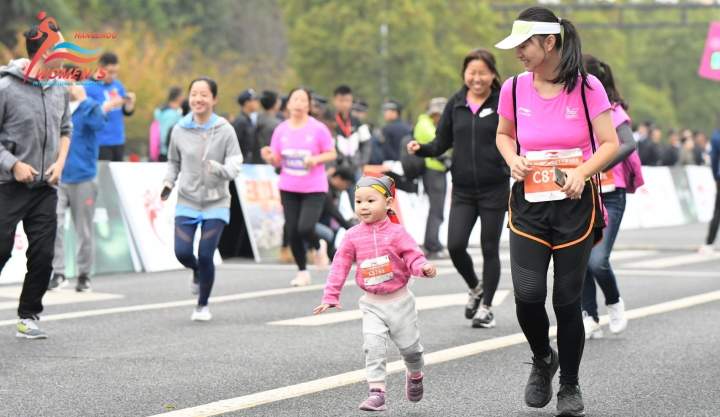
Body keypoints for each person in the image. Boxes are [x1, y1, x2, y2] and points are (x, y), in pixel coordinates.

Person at [494, 7, 619, 416]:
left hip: (573, 208)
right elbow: (503, 135)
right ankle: (542, 358)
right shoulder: (513, 88)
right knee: (528, 296)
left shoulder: (587, 88)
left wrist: (582, 172)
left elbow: (609, 143)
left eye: (524, 45)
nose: (518, 54)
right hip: (529, 205)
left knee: (566, 301)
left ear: (549, 43)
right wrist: (512, 157)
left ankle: (569, 384)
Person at [313, 175, 437, 412]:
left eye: (371, 200)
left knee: (411, 350)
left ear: (388, 203)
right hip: (371, 303)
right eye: (359, 201)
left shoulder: (397, 233)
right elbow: (339, 265)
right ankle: (376, 392)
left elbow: (412, 256)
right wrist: (330, 296)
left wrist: (423, 268)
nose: (364, 206)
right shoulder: (351, 236)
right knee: (373, 346)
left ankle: (415, 374)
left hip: (400, 301)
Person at [408, 49, 510, 329]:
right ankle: (475, 288)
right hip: (463, 189)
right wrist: (422, 150)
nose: (476, 78)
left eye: (482, 73)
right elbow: (442, 143)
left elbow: (516, 137)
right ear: (465, 74)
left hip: (495, 188)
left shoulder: (503, 101)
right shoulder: (456, 103)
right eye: (471, 73)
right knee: (455, 245)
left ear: (492, 74)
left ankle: (487, 307)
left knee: (490, 248)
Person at [0, 24, 72, 339]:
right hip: (8, 185)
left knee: (43, 254)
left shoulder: (60, 87)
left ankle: (28, 315)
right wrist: (13, 165)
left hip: (45, 187)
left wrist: (60, 163)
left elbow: (66, 129)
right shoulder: (6, 88)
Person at [161, 77, 243, 321]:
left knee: (206, 254)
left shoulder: (225, 129)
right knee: (183, 253)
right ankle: (196, 270)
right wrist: (168, 183)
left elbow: (236, 162)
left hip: (216, 201)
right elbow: (173, 162)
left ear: (214, 99)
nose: (198, 99)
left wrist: (219, 169)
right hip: (187, 198)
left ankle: (202, 305)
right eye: (194, 94)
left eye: (204, 94)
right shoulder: (179, 129)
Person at [581, 55, 639, 340]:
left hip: (610, 195)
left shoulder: (613, 110)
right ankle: (589, 316)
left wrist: (598, 163)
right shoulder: (573, 108)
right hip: (582, 193)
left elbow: (629, 143)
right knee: (579, 260)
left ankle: (614, 301)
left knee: (597, 260)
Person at [261, 87, 337, 286]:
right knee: (292, 230)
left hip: (314, 187)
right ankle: (302, 271)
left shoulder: (318, 128)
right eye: (295, 99)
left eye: (303, 100)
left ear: (309, 105)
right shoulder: (281, 129)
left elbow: (332, 153)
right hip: (288, 186)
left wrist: (315, 159)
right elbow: (277, 160)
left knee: (305, 227)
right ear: (288, 104)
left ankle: (318, 246)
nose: (299, 103)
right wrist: (269, 157)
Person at [49, 78, 112, 293]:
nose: (67, 86)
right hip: (58, 177)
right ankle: (58, 272)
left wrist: (84, 100)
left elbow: (100, 124)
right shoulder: (56, 107)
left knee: (83, 229)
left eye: (70, 83)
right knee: (53, 225)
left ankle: (84, 274)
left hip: (84, 176)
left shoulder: (90, 107)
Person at [412, 97, 449, 259]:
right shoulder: (425, 125)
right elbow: (438, 145)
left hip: (433, 171)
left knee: (436, 210)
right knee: (436, 210)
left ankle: (432, 242)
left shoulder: (426, 123)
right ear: (436, 114)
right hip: (433, 171)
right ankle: (432, 244)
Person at [85, 52, 135, 161]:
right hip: (100, 141)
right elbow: (87, 114)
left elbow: (126, 112)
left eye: (116, 72)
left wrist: (129, 103)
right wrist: (107, 106)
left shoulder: (118, 85)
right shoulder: (88, 87)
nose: (113, 76)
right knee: (103, 176)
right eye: (110, 72)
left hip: (118, 140)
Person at [333, 85, 372, 190]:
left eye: (347, 100)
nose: (344, 104)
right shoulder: (331, 121)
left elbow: (366, 144)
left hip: (354, 168)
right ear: (335, 101)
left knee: (357, 198)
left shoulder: (357, 122)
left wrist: (362, 162)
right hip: (336, 168)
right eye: (341, 100)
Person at [315, 166, 357, 261]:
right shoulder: (325, 188)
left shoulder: (335, 191)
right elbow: (335, 213)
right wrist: (352, 229)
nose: (346, 188)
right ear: (338, 178)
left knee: (335, 230)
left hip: (322, 222)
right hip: (312, 223)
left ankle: (334, 256)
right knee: (329, 233)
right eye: (346, 184)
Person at [700, 119, 720, 254]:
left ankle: (709, 243)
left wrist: (716, 177)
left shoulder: (716, 137)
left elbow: (714, 159)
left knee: (718, 211)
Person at [153, 86, 184, 162]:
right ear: (178, 97)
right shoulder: (174, 114)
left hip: (161, 150)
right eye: (182, 95)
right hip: (170, 151)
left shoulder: (160, 111)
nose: (183, 98)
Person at [253, 90, 281, 163]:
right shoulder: (277, 124)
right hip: (269, 161)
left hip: (255, 160)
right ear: (275, 103)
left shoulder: (255, 118)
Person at [232, 88, 259, 161]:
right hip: (241, 163)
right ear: (247, 103)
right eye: (255, 100)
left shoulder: (249, 120)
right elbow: (233, 145)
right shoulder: (240, 121)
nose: (257, 102)